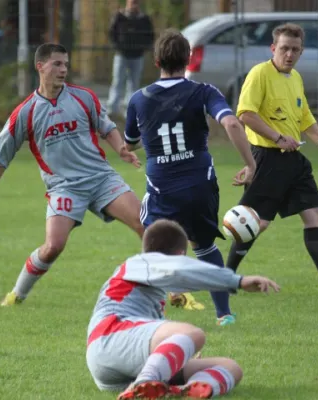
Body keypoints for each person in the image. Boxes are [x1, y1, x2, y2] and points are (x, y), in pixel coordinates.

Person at [0, 43, 144, 306]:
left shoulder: (84, 97)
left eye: (66, 64)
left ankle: (171, 291)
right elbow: (0, 155)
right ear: (39, 66)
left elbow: (107, 127)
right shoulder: (26, 112)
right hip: (64, 187)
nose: (63, 69)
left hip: (101, 179)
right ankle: (17, 294)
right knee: (53, 246)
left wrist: (121, 149)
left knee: (145, 223)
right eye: (57, 64)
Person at [124, 29, 257, 325]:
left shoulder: (139, 99)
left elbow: (130, 140)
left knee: (153, 249)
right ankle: (224, 314)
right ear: (187, 60)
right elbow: (232, 124)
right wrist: (250, 164)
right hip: (200, 185)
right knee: (206, 247)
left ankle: (149, 314)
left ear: (157, 60)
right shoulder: (204, 91)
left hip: (162, 187)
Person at [225, 23, 318, 295]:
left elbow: (304, 117)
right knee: (256, 223)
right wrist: (277, 138)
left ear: (301, 52)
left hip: (294, 161)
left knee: (314, 216)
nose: (289, 54)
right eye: (284, 48)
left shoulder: (295, 78)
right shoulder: (259, 74)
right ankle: (226, 279)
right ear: (273, 48)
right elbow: (245, 114)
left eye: (295, 50)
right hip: (267, 159)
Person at [86, 219, 280, 400]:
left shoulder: (148, 283)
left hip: (123, 358)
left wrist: (179, 352)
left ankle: (186, 390)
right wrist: (238, 281)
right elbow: (181, 270)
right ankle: (143, 384)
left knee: (230, 367)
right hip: (110, 338)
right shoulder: (141, 262)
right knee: (193, 333)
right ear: (180, 254)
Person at [107, 0, 154, 118]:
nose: (134, 5)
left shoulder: (144, 19)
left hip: (137, 55)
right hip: (121, 54)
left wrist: (144, 48)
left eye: (136, 3)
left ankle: (129, 110)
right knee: (117, 81)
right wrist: (117, 46)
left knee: (134, 83)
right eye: (132, 2)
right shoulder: (119, 17)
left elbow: (150, 35)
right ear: (127, 3)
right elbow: (112, 33)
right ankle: (113, 108)